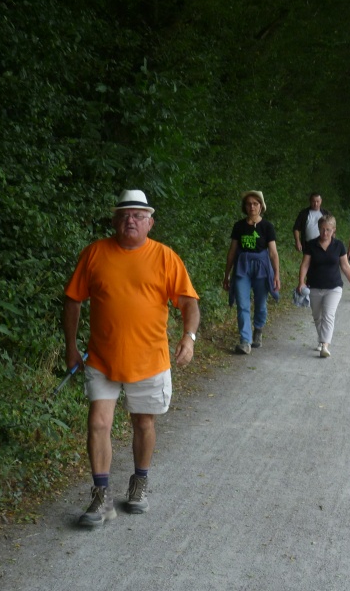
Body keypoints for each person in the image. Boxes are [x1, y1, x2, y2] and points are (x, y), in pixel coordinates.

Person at [63, 189, 201, 527]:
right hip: (102, 359)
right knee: (98, 423)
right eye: (125, 214)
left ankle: (139, 483)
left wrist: (189, 336)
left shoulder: (166, 257)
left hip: (149, 360)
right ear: (114, 220)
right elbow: (73, 301)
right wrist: (69, 345)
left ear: (150, 223)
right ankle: (101, 495)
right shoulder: (94, 253)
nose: (131, 219)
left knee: (144, 423)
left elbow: (188, 303)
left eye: (139, 215)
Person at [224, 191, 281, 355]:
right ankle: (245, 341)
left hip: (262, 268)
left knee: (261, 304)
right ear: (244, 207)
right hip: (242, 267)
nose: (252, 207)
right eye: (249, 204)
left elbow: (273, 253)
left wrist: (276, 274)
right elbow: (232, 251)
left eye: (255, 203)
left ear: (261, 206)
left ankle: (258, 328)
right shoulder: (239, 226)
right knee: (242, 304)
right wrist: (227, 274)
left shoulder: (267, 226)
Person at [297, 215, 350, 358]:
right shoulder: (311, 245)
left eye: (328, 230)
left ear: (333, 230)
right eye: (322, 229)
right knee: (317, 316)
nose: (325, 233)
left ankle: (325, 345)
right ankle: (321, 339)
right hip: (314, 286)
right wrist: (301, 282)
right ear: (318, 229)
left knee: (328, 315)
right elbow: (305, 264)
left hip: (334, 287)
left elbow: (345, 266)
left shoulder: (338, 245)